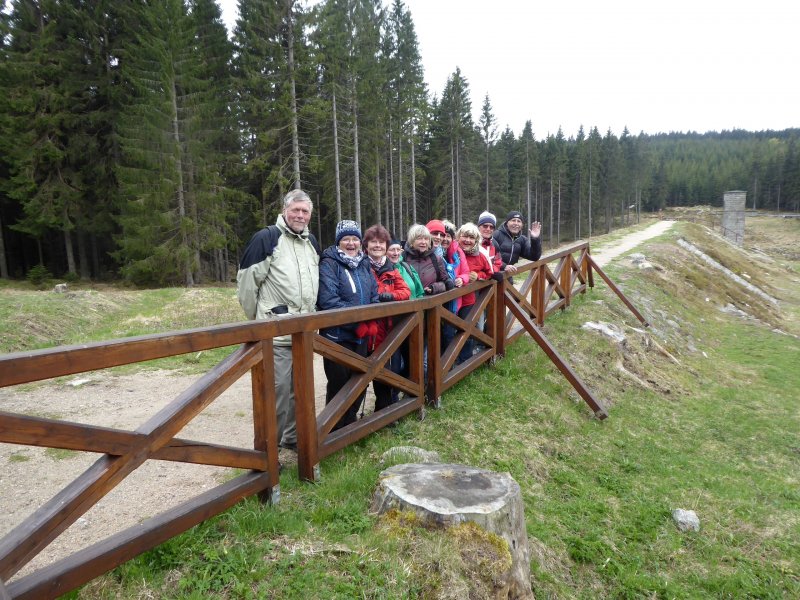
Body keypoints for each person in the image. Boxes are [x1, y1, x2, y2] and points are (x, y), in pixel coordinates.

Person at [236, 189, 320, 457]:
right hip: (276, 333)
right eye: (295, 210)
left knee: (301, 391)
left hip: (304, 333)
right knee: (277, 395)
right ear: (285, 210)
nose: (299, 215)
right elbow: (247, 283)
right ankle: (268, 454)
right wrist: (259, 322)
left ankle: (293, 441)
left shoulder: (311, 242)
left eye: (305, 211)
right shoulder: (267, 238)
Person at [317, 220, 379, 430]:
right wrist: (358, 321)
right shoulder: (329, 263)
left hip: (361, 336)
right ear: (338, 242)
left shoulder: (364, 263)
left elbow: (373, 295)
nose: (351, 243)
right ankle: (332, 431)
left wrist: (372, 317)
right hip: (337, 336)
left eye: (355, 239)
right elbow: (328, 300)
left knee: (360, 381)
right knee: (339, 385)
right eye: (346, 239)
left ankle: (349, 428)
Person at [363, 225, 411, 412]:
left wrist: (391, 297)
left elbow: (405, 291)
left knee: (385, 372)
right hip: (365, 329)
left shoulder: (391, 268)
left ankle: (383, 412)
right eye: (373, 242)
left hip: (387, 329)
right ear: (366, 245)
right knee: (361, 373)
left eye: (381, 242)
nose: (377, 246)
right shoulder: (361, 265)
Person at [456, 222, 493, 362]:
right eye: (464, 236)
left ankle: (465, 361)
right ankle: (450, 361)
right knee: (449, 331)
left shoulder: (480, 255)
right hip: (450, 300)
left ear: (476, 240)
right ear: (458, 236)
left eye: (471, 238)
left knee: (469, 329)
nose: (467, 240)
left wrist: (478, 276)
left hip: (469, 300)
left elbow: (489, 273)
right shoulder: (452, 253)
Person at [493, 210, 542, 275]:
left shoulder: (522, 240)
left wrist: (535, 239)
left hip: (507, 277)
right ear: (507, 223)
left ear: (522, 225)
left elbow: (534, 257)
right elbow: (488, 256)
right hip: (491, 278)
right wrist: (504, 266)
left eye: (519, 221)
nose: (516, 223)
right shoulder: (497, 235)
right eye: (513, 220)